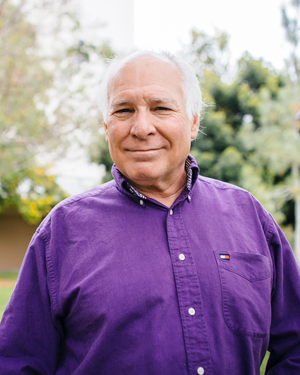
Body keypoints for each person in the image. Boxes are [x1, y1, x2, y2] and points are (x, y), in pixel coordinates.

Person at [0, 51, 300, 375]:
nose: (142, 128)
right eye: (124, 110)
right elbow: (17, 364)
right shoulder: (62, 232)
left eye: (161, 108)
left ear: (194, 122)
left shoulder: (249, 217)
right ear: (106, 126)